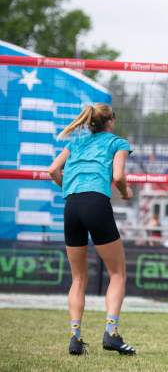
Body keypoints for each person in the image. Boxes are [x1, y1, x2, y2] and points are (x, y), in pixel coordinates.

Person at [48, 103, 136, 356]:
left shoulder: (76, 143)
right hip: (95, 202)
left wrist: (67, 186)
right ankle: (112, 333)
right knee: (117, 273)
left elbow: (52, 170)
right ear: (111, 121)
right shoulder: (117, 142)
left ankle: (75, 339)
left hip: (72, 204)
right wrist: (126, 192)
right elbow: (118, 177)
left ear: (89, 122)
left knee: (78, 278)